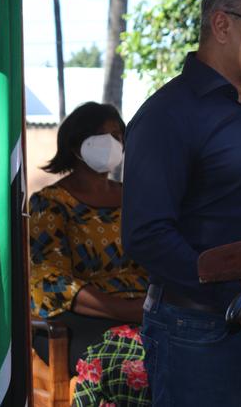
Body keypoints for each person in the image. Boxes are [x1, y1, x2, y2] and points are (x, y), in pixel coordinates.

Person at [122, 0, 241, 406]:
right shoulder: (169, 114)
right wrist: (237, 301)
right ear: (222, 24)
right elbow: (147, 235)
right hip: (195, 329)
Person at [29, 101, 150, 405]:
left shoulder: (138, 197)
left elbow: (160, 255)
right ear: (74, 144)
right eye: (100, 135)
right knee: (135, 367)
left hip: (148, 311)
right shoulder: (50, 202)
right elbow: (48, 276)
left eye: (117, 135)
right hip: (79, 320)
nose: (112, 143)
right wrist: (121, 310)